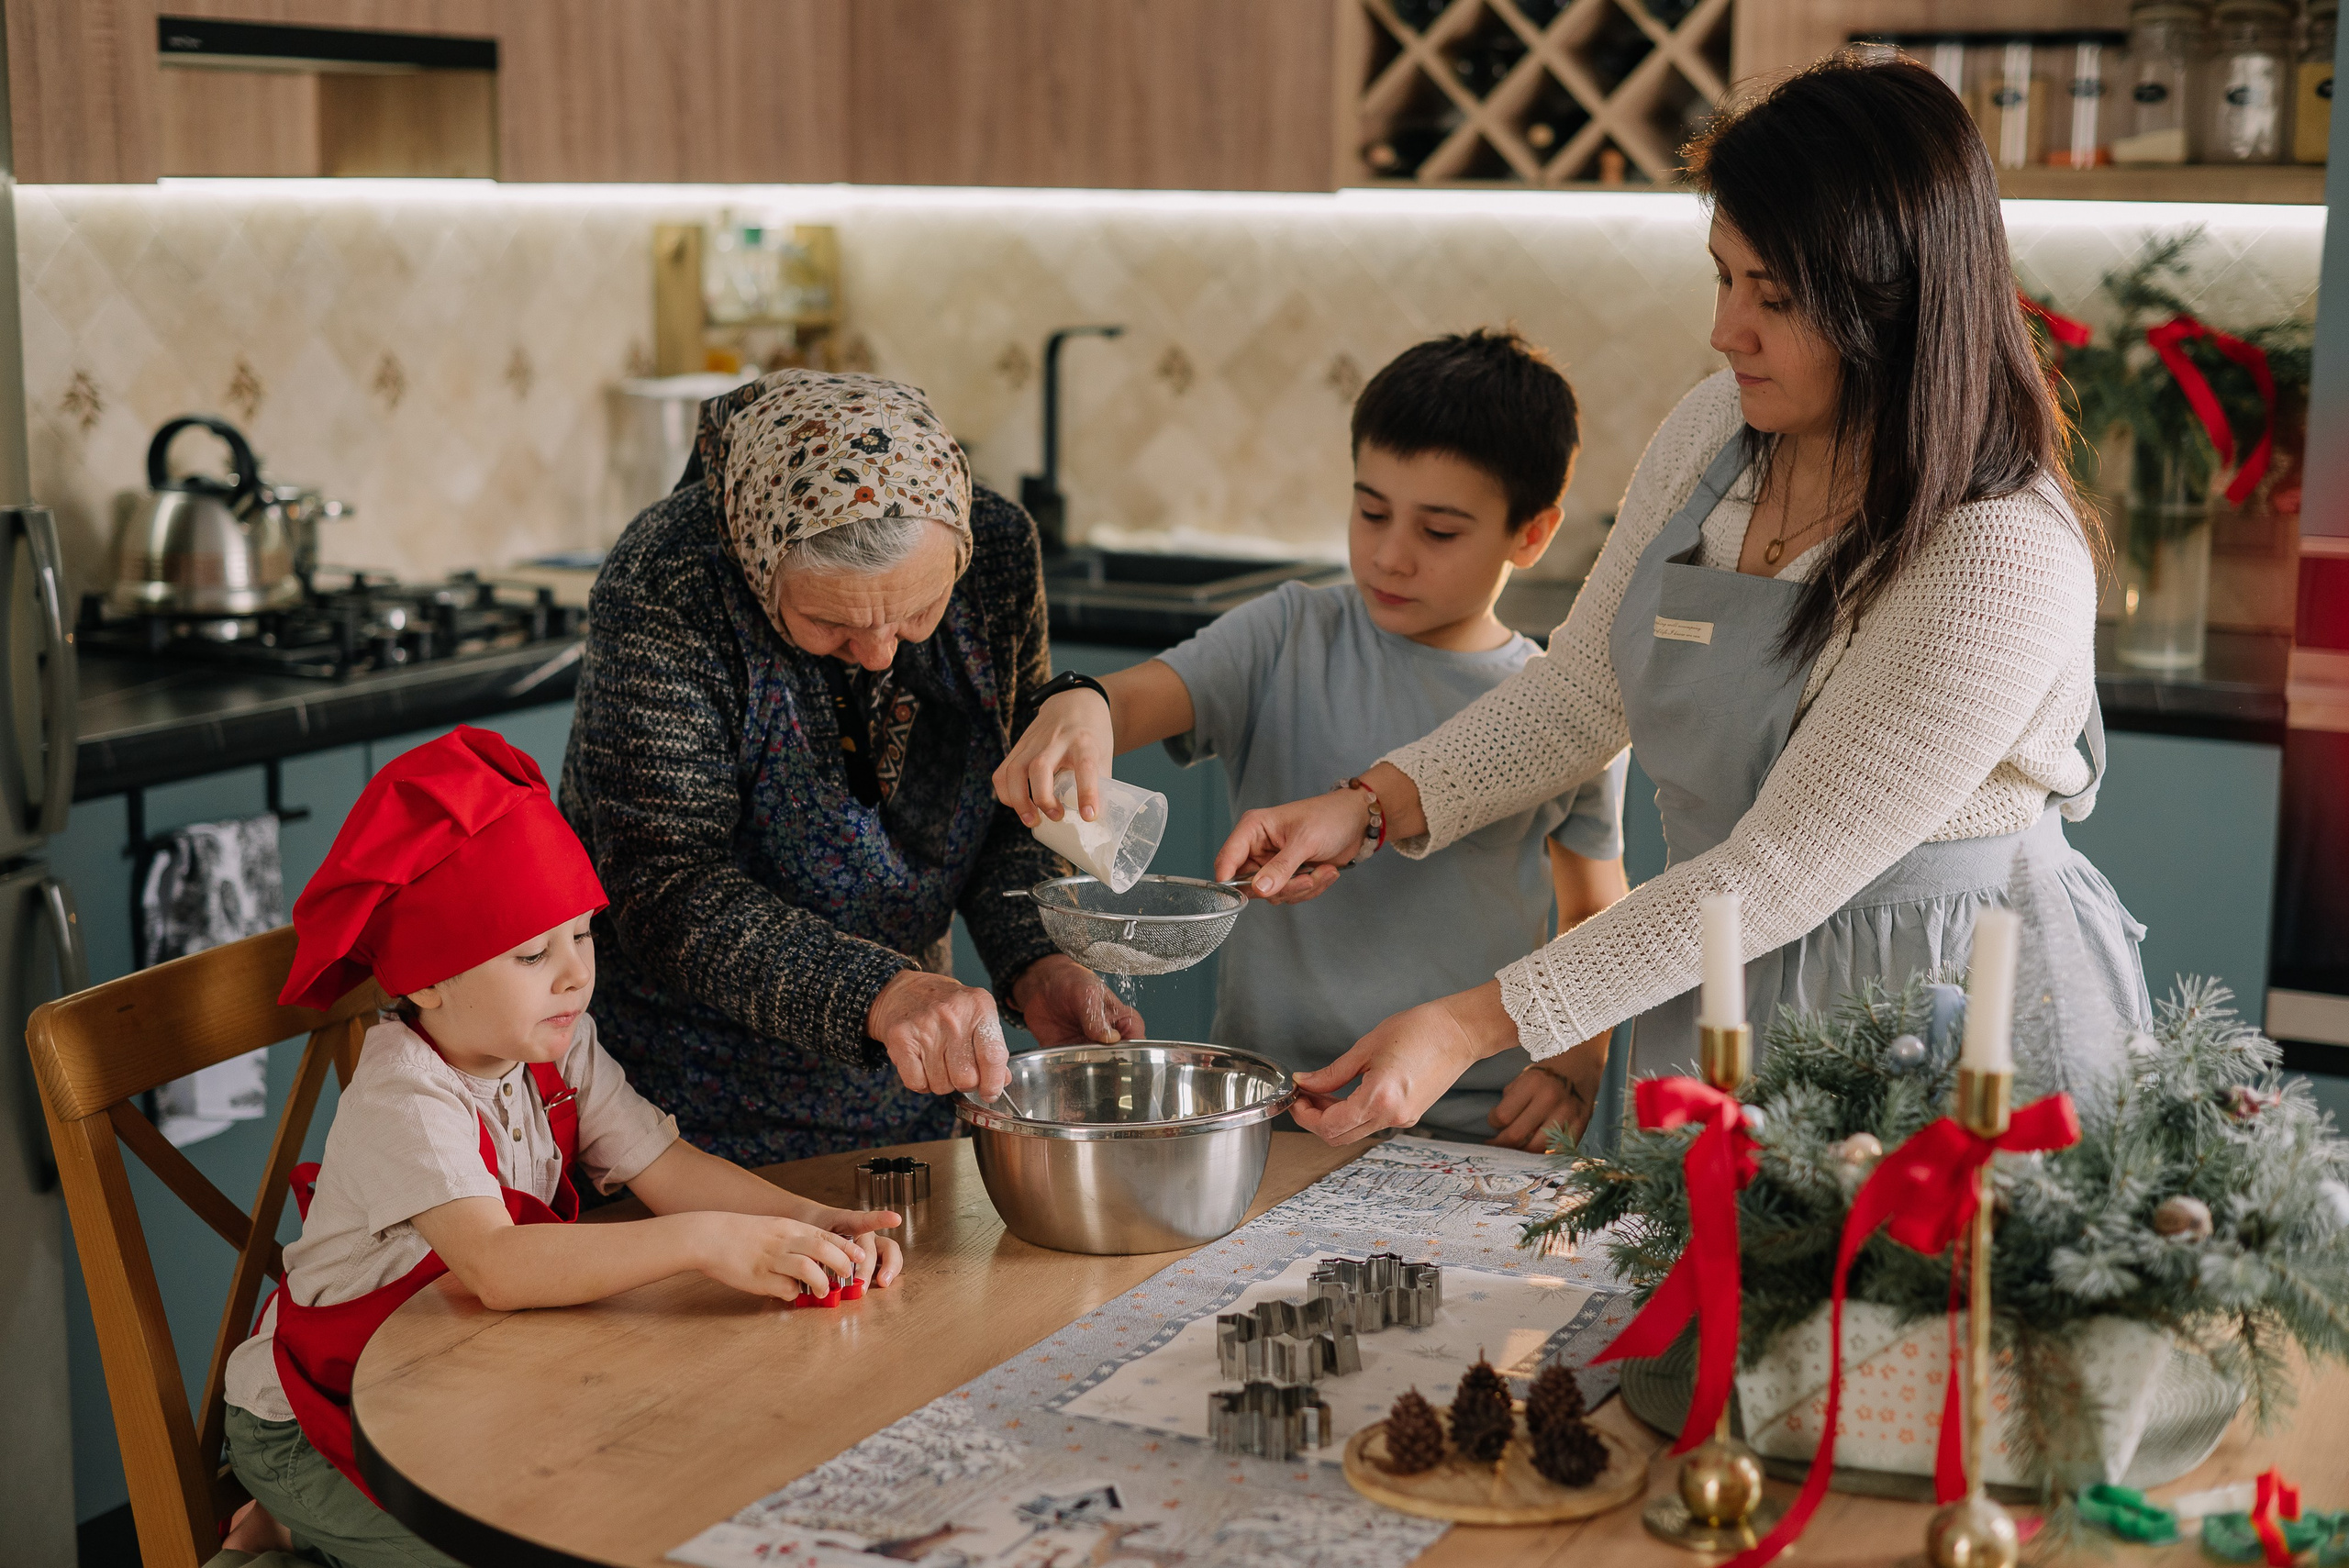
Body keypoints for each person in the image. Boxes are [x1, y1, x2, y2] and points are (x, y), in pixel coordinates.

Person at [1212, 55, 2152, 1150]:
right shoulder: (1716, 434)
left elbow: (1777, 870)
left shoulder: (1999, 548)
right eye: (1723, 278)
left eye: (1775, 298)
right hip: (1709, 964)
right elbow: (1579, 694)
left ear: (1893, 307)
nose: (1726, 330)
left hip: (1939, 1008)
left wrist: (1468, 1025)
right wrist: (1369, 806)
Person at [218, 727, 903, 1565]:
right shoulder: (406, 1094)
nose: (575, 972)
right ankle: (292, 1524)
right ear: (427, 980)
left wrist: (811, 1220)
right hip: (321, 1420)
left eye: (581, 934)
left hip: (460, 1384)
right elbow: (499, 1267)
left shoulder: (558, 1045)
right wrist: (703, 1242)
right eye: (532, 951)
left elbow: (664, 1166)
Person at [997, 330, 1627, 1148]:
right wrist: (1085, 703)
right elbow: (1134, 699)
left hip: (1476, 1123)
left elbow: (1594, 910)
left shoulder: (1560, 709)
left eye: (1439, 531)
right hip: (1271, 1110)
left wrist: (1578, 1058)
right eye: (1371, 511)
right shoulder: (1286, 634)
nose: (1389, 555)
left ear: (1532, 534)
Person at [562, 371, 1142, 1167]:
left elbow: (1007, 812)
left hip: (911, 1087)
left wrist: (1034, 963)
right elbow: (665, 885)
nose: (877, 654)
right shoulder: (669, 581)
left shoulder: (999, 553)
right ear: (761, 561)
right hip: (677, 1122)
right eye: (828, 621)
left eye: (918, 613)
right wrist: (881, 992)